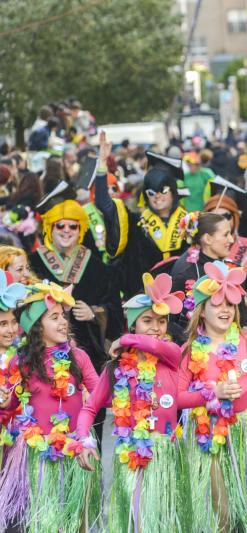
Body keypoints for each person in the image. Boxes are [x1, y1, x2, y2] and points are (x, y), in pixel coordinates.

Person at [76, 272, 188, 531]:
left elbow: (164, 348)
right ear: (133, 324)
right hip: (132, 457)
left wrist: (125, 339)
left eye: (162, 322)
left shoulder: (171, 357)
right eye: (147, 320)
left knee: (167, 523)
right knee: (139, 522)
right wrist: (84, 438)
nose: (156, 328)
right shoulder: (116, 368)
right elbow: (90, 407)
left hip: (167, 455)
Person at [178, 260, 247, 532]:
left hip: (243, 428)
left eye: (229, 305)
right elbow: (178, 397)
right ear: (201, 312)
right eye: (217, 305)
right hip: (209, 434)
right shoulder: (190, 350)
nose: (225, 310)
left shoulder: (243, 339)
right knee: (221, 513)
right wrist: (213, 393)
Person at [0, 282, 101, 532]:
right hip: (39, 451)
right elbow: (12, 401)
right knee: (42, 520)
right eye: (54, 317)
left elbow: (101, 395)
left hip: (74, 446)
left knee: (76, 520)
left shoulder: (79, 357)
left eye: (64, 316)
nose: (63, 322)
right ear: (36, 327)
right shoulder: (22, 361)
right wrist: (4, 400)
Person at [29, 188, 124, 406]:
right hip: (42, 354)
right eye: (60, 225)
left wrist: (96, 313)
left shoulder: (98, 267)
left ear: (80, 230)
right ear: (50, 228)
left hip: (87, 353)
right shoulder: (32, 264)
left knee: (90, 412)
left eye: (73, 226)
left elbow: (114, 308)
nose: (66, 230)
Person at [93, 133, 190, 299]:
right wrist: (102, 164)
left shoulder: (190, 223)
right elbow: (104, 203)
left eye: (163, 191)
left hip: (182, 299)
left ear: (174, 193)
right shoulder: (135, 224)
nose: (157, 196)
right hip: (145, 299)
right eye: (151, 192)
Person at [0, 272, 27, 463]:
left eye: (14, 322)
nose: (11, 330)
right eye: (3, 324)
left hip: (18, 438)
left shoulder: (25, 355)